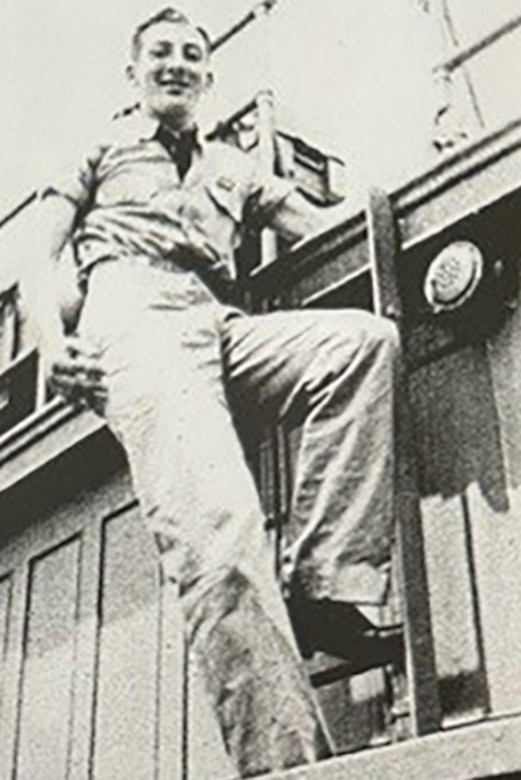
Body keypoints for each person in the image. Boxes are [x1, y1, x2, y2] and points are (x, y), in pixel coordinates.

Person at [25, 8, 403, 778]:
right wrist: (53, 346)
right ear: (133, 74)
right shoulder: (103, 147)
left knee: (361, 344)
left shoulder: (234, 165)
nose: (176, 63)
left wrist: (391, 188)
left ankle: (326, 589)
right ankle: (285, 767)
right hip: (135, 320)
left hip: (218, 319)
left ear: (208, 74)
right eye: (159, 52)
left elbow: (318, 222)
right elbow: (38, 250)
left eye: (191, 54)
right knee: (220, 540)